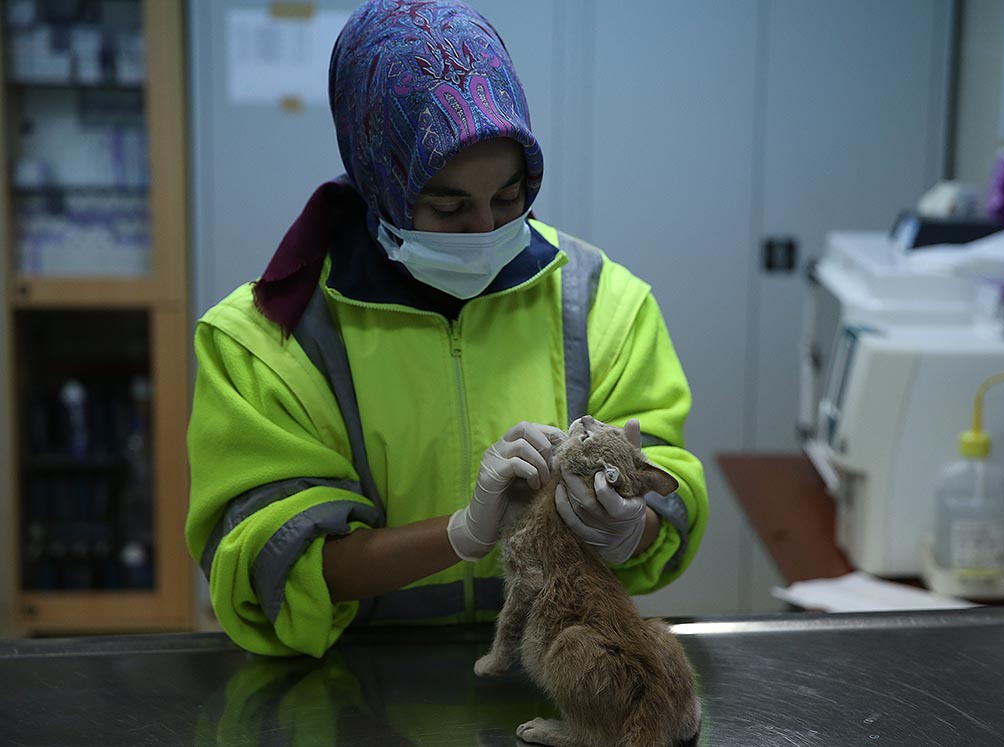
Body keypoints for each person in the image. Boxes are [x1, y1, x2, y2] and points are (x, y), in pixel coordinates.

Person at [185, 0, 708, 657]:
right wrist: (459, 533)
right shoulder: (266, 340)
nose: (486, 230)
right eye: (449, 205)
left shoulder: (601, 302)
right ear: (382, 180)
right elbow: (270, 559)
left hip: (550, 671)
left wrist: (629, 526)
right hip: (353, 683)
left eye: (509, 197)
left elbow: (672, 492)